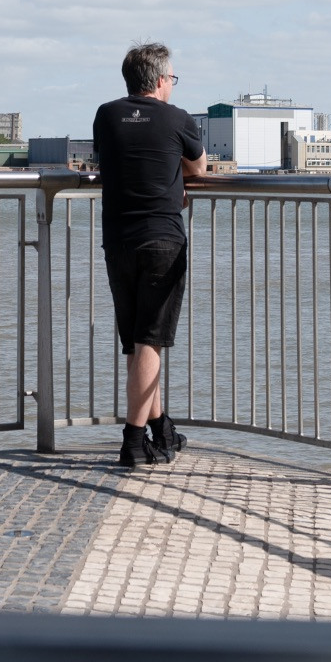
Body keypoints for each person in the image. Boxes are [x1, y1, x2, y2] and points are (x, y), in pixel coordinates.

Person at [92, 42, 207, 467]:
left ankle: (162, 430)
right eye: (172, 79)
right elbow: (199, 169)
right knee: (150, 343)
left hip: (117, 239)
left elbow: (109, 163)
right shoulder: (178, 119)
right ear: (160, 81)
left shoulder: (106, 115)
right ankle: (133, 441)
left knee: (138, 344)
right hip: (162, 239)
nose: (172, 85)